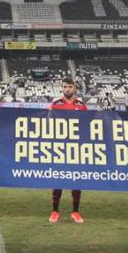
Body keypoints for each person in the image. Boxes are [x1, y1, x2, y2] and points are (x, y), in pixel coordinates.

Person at [49, 77, 86, 224]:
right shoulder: (56, 104)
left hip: (76, 148)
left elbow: (87, 124)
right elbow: (48, 122)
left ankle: (75, 212)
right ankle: (55, 211)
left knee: (76, 180)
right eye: (65, 86)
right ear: (61, 88)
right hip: (60, 148)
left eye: (70, 87)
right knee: (58, 179)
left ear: (75, 88)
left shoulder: (81, 105)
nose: (68, 89)